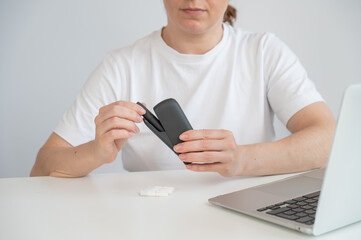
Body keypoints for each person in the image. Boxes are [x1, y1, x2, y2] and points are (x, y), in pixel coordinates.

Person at [30, 0, 336, 178]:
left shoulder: (264, 51)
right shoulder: (122, 64)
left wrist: (241, 159)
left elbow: (327, 139)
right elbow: (43, 169)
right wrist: (95, 152)